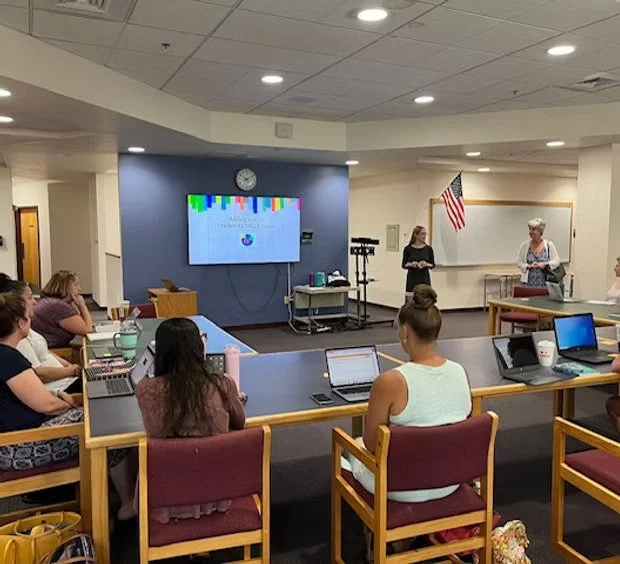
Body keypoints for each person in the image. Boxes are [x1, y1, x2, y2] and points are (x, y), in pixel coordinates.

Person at [0, 292, 135, 519]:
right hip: (19, 447)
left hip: (21, 437)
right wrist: (66, 405)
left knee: (97, 418)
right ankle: (125, 503)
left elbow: (31, 395)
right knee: (107, 428)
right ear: (21, 324)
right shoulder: (7, 358)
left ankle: (112, 496)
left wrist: (59, 398)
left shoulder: (7, 354)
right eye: (27, 317)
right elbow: (48, 406)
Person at [135, 317, 246, 523]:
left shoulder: (145, 389)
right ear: (198, 348)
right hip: (218, 493)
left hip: (167, 494)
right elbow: (239, 423)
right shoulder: (223, 384)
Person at [0, 274, 80, 384]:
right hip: (58, 385)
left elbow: (45, 353)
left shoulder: (26, 326)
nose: (35, 302)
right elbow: (40, 374)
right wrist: (72, 371)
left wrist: (69, 367)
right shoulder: (17, 337)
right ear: (17, 303)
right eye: (29, 298)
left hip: (64, 379)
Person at [31, 270, 92, 348]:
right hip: (54, 350)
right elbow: (87, 330)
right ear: (65, 287)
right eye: (75, 285)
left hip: (48, 347)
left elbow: (78, 321)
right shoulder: (57, 306)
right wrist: (82, 305)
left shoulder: (49, 301)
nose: (80, 289)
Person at [516, 218, 560, 288]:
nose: (530, 231)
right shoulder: (524, 246)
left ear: (540, 231)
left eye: (533, 229)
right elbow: (519, 262)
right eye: (529, 229)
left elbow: (556, 261)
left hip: (545, 284)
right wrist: (528, 266)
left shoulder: (549, 245)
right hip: (528, 284)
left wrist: (545, 264)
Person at [401, 226, 435, 299]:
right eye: (422, 234)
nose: (424, 236)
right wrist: (411, 264)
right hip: (412, 279)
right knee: (411, 302)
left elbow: (432, 264)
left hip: (424, 278)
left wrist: (426, 264)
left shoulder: (428, 249)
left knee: (425, 300)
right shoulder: (408, 249)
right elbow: (404, 265)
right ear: (416, 235)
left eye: (425, 234)